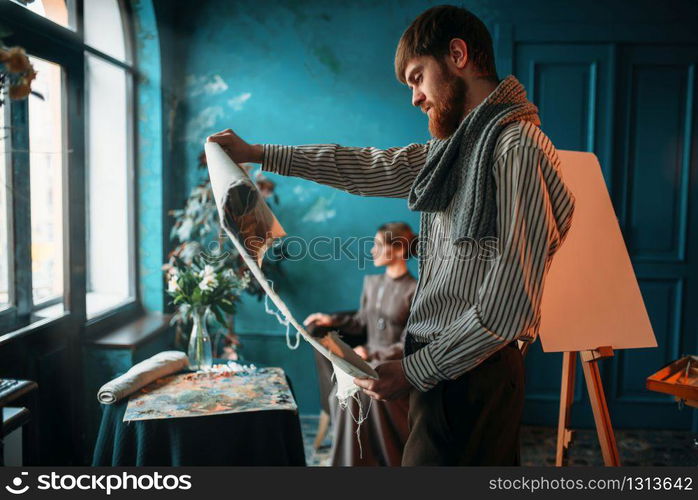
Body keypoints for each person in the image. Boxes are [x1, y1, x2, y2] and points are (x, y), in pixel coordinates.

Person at [208, 5, 575, 466]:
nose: (415, 98)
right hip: (443, 368)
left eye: (417, 77)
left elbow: (510, 308)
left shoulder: (514, 146)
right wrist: (259, 153)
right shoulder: (454, 152)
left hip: (473, 373)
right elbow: (364, 166)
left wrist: (415, 370)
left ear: (458, 54)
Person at [304, 222, 417, 466]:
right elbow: (360, 322)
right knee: (340, 395)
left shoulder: (415, 290)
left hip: (395, 366)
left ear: (398, 250)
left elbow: (408, 342)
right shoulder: (372, 283)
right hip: (366, 361)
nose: (373, 251)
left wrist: (370, 351)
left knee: (361, 393)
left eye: (378, 245)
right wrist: (331, 319)